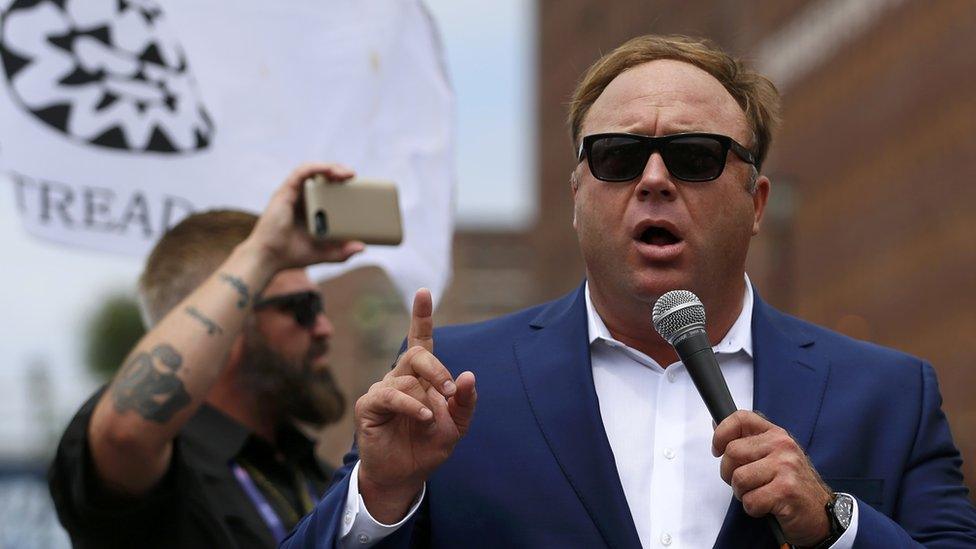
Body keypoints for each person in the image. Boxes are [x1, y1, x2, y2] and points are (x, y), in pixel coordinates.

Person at [282, 35, 976, 548]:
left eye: (694, 157)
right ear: (578, 195)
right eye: (617, 156)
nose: (653, 179)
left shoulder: (889, 395)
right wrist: (381, 496)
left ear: (757, 201)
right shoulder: (451, 385)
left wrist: (835, 525)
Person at [49, 164, 366, 548]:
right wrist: (262, 253)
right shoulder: (169, 468)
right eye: (302, 307)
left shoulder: (320, 478)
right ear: (226, 326)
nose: (323, 328)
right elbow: (124, 433)